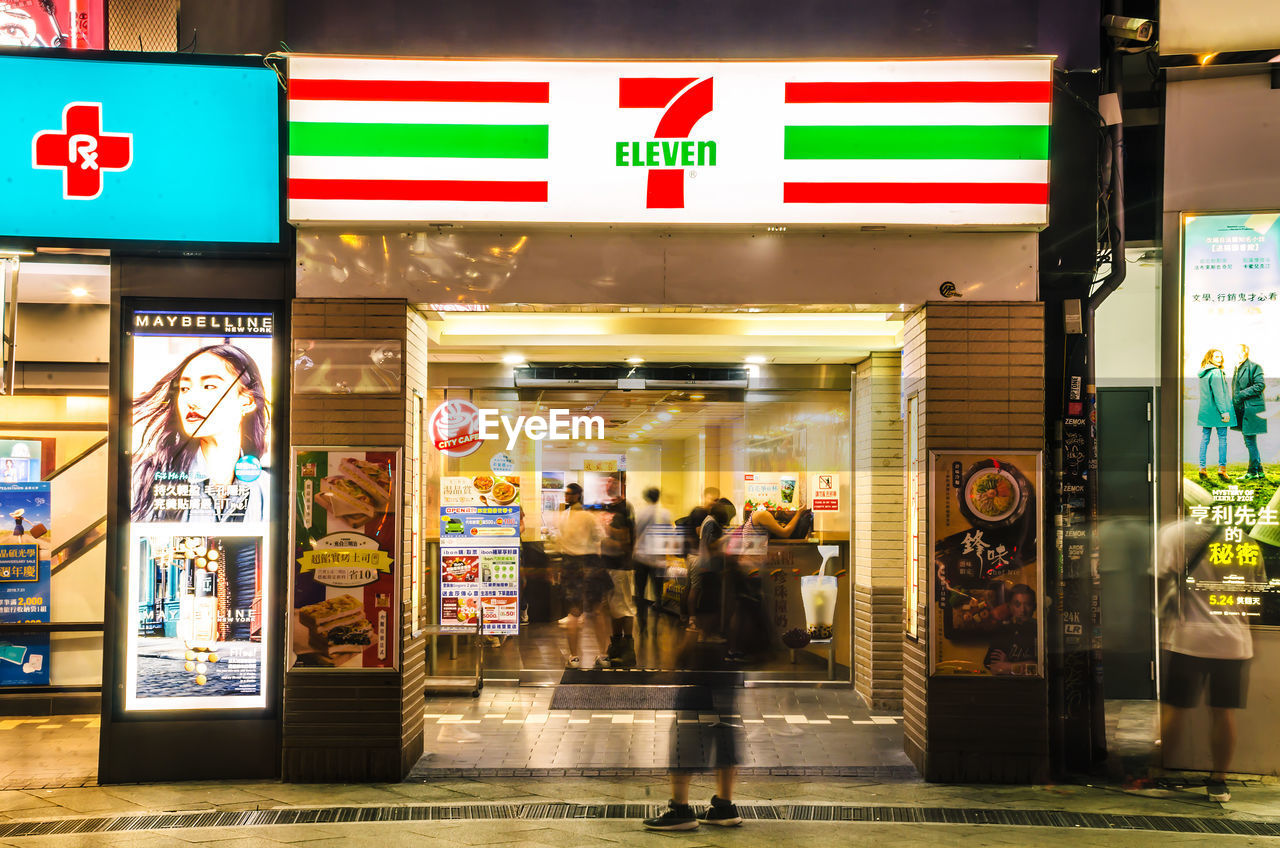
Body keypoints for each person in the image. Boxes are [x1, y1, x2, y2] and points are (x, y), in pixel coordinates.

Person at [644, 500, 743, 832]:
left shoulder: (702, 567)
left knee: (686, 729)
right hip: (730, 658)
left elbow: (695, 620)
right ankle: (724, 806)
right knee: (725, 728)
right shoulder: (736, 566)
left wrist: (673, 663)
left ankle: (681, 809)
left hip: (703, 658)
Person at [1158, 518, 1252, 803]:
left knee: (1175, 708)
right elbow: (1254, 589)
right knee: (1223, 712)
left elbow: (1161, 581)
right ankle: (1219, 783)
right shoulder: (1245, 540)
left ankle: (1158, 773)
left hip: (1189, 639)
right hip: (1232, 642)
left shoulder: (1173, 534)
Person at [131, 344, 270, 523]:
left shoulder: (265, 487)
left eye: (209, 386)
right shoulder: (148, 476)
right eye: (184, 389)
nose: (191, 400)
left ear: (247, 402)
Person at [550, 483, 607, 669]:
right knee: (597, 611)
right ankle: (603, 655)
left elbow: (557, 542)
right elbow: (601, 538)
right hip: (591, 563)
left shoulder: (562, 517)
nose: (566, 497)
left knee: (574, 613)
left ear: (573, 496)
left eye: (567, 494)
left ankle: (574, 657)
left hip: (570, 565)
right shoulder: (590, 517)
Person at [599, 478, 638, 668]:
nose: (607, 487)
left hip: (620, 567)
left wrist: (603, 539)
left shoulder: (623, 511)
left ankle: (628, 649)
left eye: (611, 484)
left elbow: (624, 543)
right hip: (614, 567)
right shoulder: (613, 509)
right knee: (616, 608)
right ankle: (616, 645)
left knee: (625, 608)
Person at [633, 487, 673, 634]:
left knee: (640, 591)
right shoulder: (665, 513)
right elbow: (668, 534)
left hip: (641, 557)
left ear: (646, 497)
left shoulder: (640, 513)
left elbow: (635, 533)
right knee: (658, 591)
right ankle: (657, 620)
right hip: (658, 558)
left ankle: (641, 621)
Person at [1230, 343, 1267, 481]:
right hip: (1241, 409)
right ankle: (1260, 471)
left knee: (1250, 441)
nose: (1237, 354)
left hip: (1251, 409)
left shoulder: (1254, 367)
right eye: (1236, 352)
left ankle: (1252, 472)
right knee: (1250, 441)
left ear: (1245, 353)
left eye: (1239, 352)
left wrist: (1240, 394)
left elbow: (1260, 385)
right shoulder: (1236, 368)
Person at [1197, 348, 1235, 481]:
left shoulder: (1203, 373)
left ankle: (1202, 468)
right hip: (1218, 412)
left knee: (1205, 439)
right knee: (1222, 439)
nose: (1220, 359)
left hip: (1206, 412)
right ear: (1210, 357)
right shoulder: (1216, 372)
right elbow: (1219, 395)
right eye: (1217, 356)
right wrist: (1224, 412)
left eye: (1221, 356)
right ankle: (1222, 470)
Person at [983, 584, 1037, 675]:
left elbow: (1039, 668)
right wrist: (1021, 666)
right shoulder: (1002, 631)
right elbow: (994, 668)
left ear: (1034, 607)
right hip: (1007, 686)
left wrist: (1008, 665)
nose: (1023, 610)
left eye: (1028, 604)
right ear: (1010, 606)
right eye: (1017, 604)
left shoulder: (1040, 629)